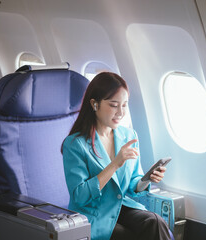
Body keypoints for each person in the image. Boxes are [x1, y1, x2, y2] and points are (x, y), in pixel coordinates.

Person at [62, 72, 172, 240]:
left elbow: (133, 184)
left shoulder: (128, 136)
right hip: (92, 214)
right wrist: (114, 164)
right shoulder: (75, 144)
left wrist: (147, 179)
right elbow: (80, 196)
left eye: (124, 105)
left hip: (120, 207)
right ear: (94, 104)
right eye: (114, 105)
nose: (121, 112)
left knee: (155, 222)